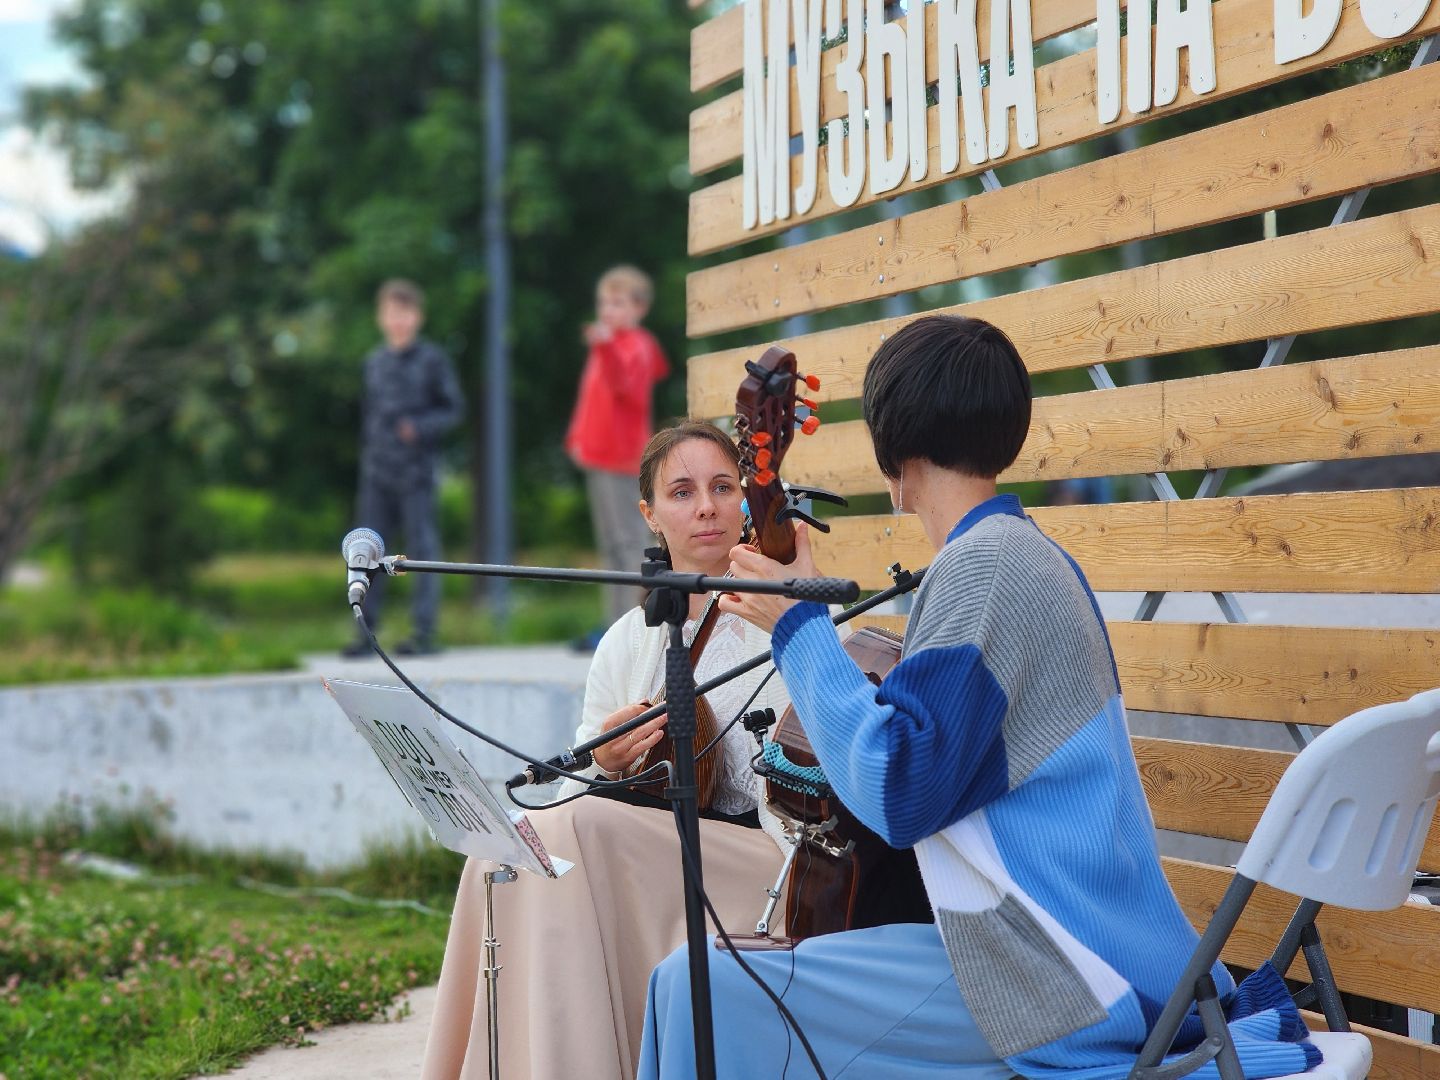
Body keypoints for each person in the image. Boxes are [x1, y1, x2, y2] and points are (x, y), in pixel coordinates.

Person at [638, 316, 1320, 1079]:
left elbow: (898, 794)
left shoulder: (984, 571)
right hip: (1079, 948)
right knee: (707, 983)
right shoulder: (1021, 556)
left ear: (893, 445)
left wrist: (799, 628)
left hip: (1057, 973)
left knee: (696, 988)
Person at [421, 421, 792, 1080]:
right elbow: (573, 794)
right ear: (650, 513)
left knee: (583, 830)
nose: (705, 506)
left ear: (747, 500)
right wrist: (606, 762)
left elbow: (791, 790)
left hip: (755, 859)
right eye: (681, 491)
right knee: (508, 846)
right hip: (647, 846)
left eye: (722, 486)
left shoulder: (781, 613)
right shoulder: (626, 639)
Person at [345, 279, 464, 657]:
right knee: (366, 552)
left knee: (420, 551)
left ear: (417, 317)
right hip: (377, 472)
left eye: (405, 312)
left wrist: (420, 428)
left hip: (416, 472)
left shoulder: (432, 360)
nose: (398, 320)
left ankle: (424, 632)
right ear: (382, 317)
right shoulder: (374, 363)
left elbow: (453, 409)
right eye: (391, 312)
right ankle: (365, 632)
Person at [565, 265, 671, 629]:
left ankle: (630, 622)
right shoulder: (609, 347)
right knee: (610, 544)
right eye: (604, 302)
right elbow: (592, 401)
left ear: (638, 309)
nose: (607, 310)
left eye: (617, 302)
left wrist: (607, 348)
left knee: (628, 542)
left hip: (621, 459)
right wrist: (578, 439)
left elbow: (626, 387)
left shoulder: (635, 347)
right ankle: (612, 624)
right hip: (599, 456)